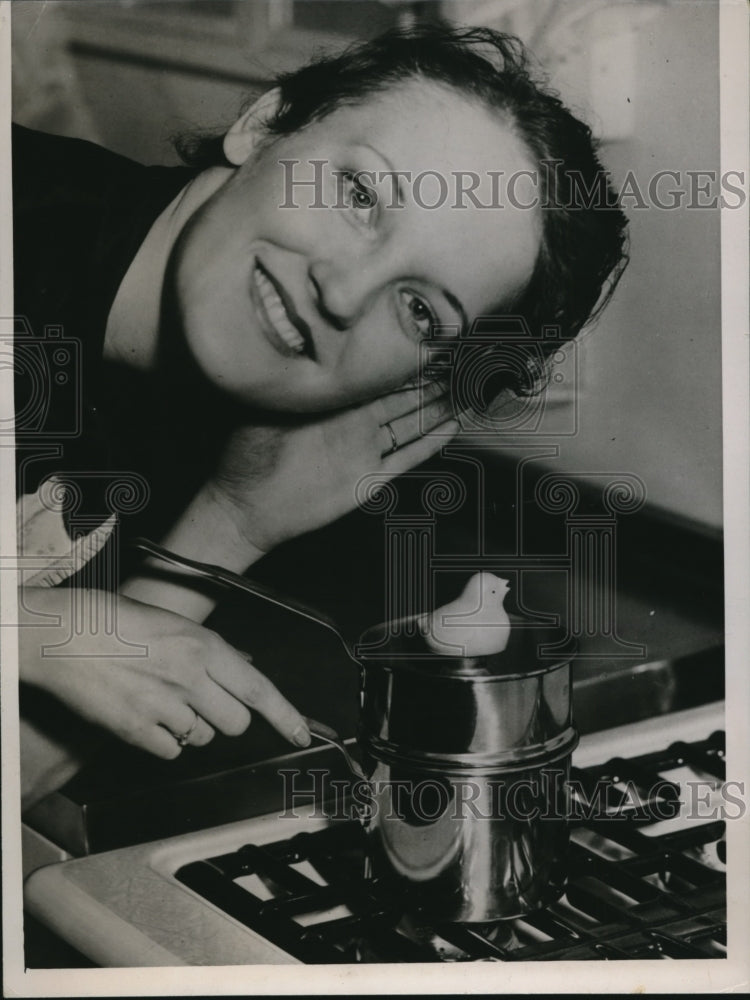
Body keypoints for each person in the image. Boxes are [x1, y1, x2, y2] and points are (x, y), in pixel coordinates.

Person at [14, 24, 628, 807]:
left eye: (417, 308)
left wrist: (231, 524)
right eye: (360, 194)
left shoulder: (229, 430)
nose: (342, 292)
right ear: (262, 124)